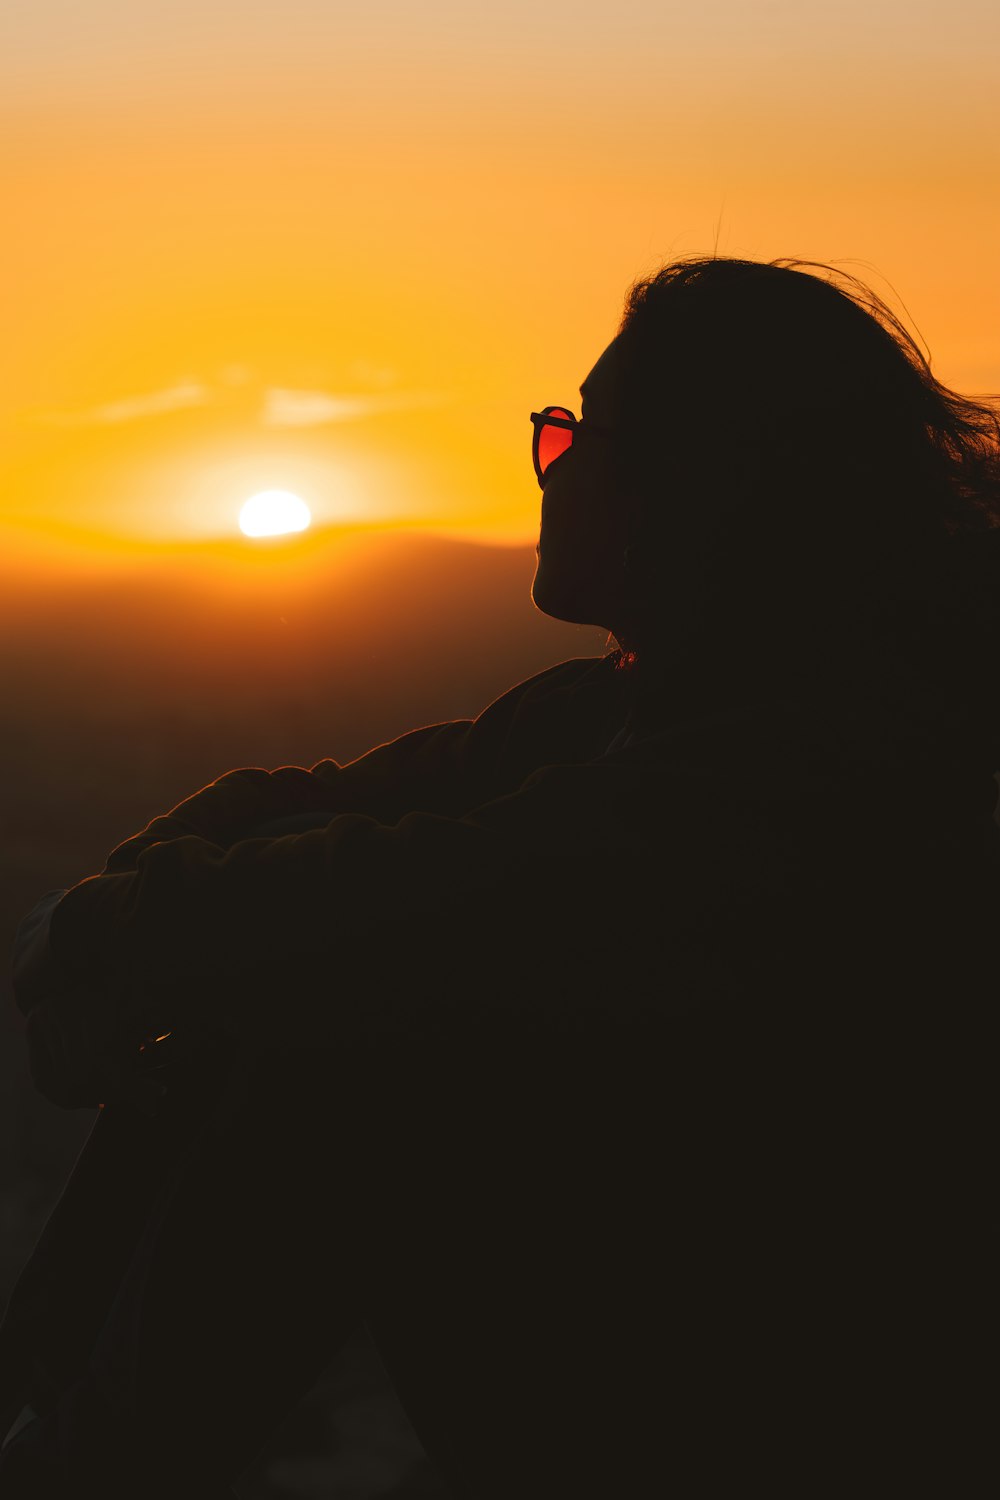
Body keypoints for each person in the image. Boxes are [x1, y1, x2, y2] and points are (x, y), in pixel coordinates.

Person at [3, 254, 1000, 1497]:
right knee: (298, 949)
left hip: (793, 1403)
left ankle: (75, 1463)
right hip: (664, 1351)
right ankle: (60, 1431)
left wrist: (99, 946)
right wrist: (102, 924)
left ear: (711, 488)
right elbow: (322, 807)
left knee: (352, 1018)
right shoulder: (618, 708)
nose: (553, 464)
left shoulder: (831, 754)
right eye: (556, 429)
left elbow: (428, 894)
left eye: (585, 437)